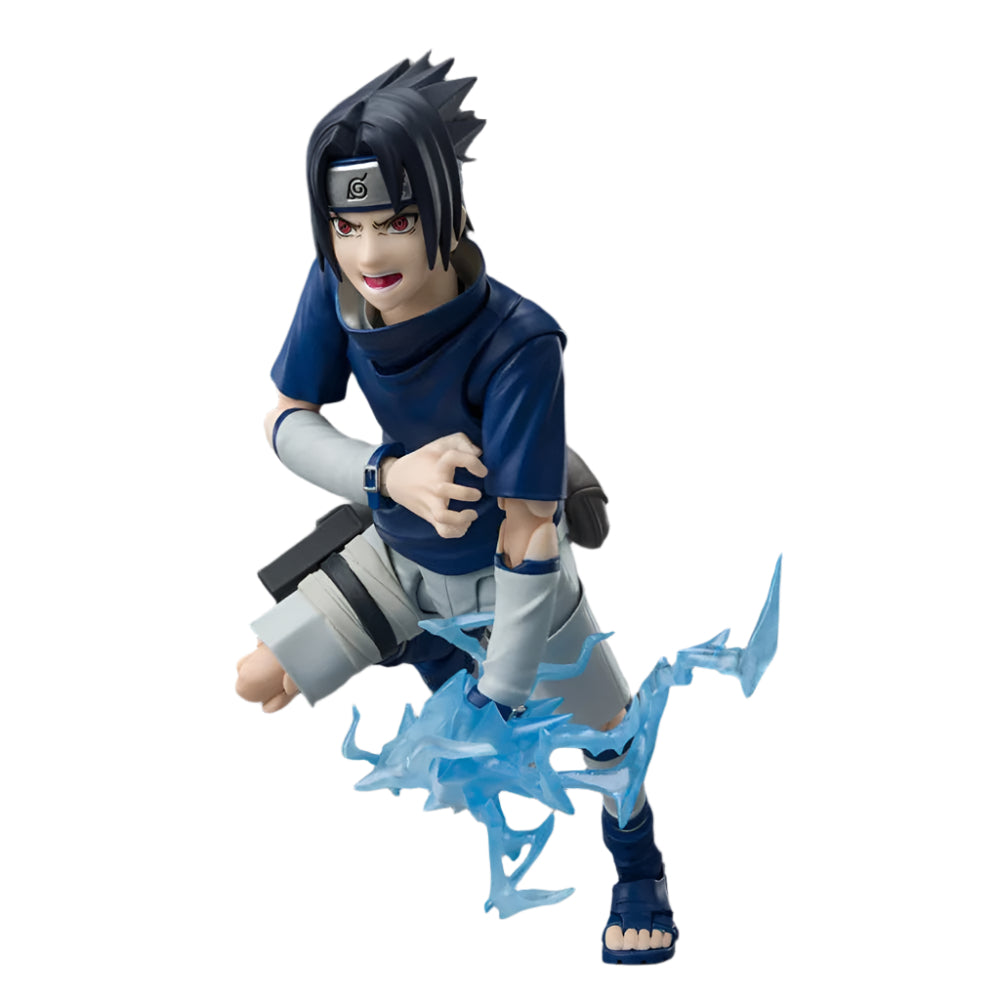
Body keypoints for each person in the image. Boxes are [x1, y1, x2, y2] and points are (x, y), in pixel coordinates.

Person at [235, 55, 677, 964]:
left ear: (447, 210)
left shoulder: (521, 341)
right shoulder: (336, 288)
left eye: (396, 222)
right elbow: (284, 422)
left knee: (612, 744)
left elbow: (530, 529)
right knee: (259, 681)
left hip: (514, 585)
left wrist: (499, 691)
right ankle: (432, 653)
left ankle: (640, 871)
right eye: (348, 226)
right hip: (396, 554)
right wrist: (385, 477)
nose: (370, 255)